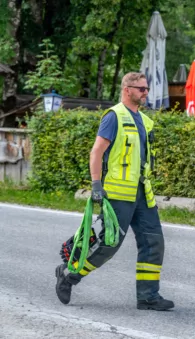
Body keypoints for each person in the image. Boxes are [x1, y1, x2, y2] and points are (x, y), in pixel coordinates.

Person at [55, 72, 174, 311]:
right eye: (141, 88)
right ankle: (68, 276)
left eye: (146, 88)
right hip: (118, 194)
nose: (145, 92)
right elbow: (97, 152)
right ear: (127, 89)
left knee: (154, 243)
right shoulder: (114, 116)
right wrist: (96, 185)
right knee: (109, 245)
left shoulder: (145, 121)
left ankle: (148, 296)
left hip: (142, 194)